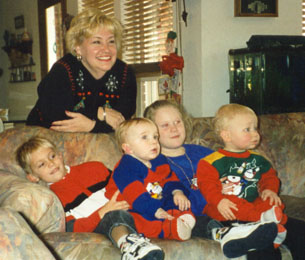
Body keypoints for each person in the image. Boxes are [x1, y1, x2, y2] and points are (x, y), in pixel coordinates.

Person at [143, 100, 280, 259]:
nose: (174, 128)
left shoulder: (202, 153)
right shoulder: (154, 165)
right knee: (260, 241)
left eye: (177, 122)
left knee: (296, 231)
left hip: (237, 206)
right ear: (152, 131)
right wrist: (214, 192)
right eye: (165, 125)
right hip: (206, 217)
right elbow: (171, 205)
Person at [15, 137, 164, 260]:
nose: (51, 163)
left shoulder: (94, 167)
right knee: (113, 215)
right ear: (33, 177)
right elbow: (70, 228)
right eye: (42, 164)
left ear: (60, 155)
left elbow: (122, 181)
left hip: (132, 209)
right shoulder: (53, 200)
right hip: (103, 224)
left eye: (52, 156)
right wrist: (101, 213)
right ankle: (131, 247)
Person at [26, 8, 137, 133]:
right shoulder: (63, 70)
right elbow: (56, 116)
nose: (106, 49)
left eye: (111, 41)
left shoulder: (125, 73)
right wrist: (100, 113)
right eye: (97, 42)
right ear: (78, 48)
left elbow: (122, 122)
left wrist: (91, 126)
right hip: (43, 139)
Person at [197, 104, 288, 249]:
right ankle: (265, 221)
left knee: (272, 202)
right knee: (232, 201)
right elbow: (206, 185)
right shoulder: (210, 162)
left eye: (255, 128)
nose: (255, 134)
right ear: (227, 135)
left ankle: (268, 226)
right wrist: (219, 200)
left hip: (252, 206)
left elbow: (269, 176)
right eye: (247, 129)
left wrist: (270, 190)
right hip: (224, 209)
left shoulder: (258, 159)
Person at [105, 118, 196, 241]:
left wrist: (177, 192)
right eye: (144, 137)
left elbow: (170, 179)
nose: (154, 142)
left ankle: (180, 218)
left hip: (156, 199)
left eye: (155, 137)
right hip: (133, 206)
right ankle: (169, 228)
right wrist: (155, 210)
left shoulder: (159, 160)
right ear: (128, 148)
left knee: (176, 199)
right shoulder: (126, 168)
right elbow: (135, 195)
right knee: (140, 221)